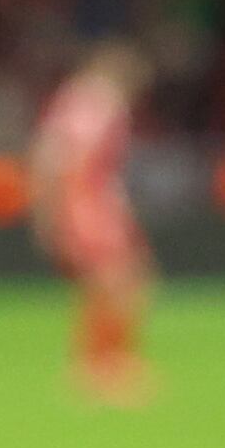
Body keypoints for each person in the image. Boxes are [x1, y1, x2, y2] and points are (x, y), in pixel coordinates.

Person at [30, 42, 155, 404]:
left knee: (120, 282)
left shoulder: (81, 99)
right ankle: (102, 367)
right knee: (118, 280)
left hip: (90, 201)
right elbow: (59, 157)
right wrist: (54, 210)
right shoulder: (96, 102)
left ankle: (105, 364)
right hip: (84, 202)